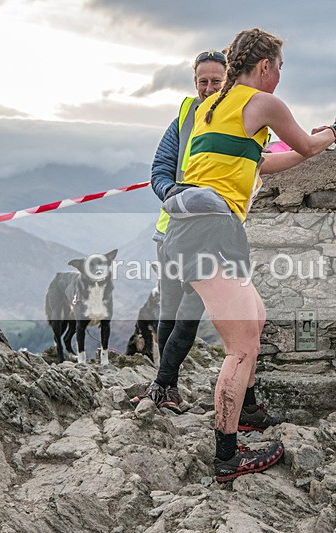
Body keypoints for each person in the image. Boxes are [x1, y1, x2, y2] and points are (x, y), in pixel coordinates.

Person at [160, 27, 336, 482]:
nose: (280, 79)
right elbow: (307, 146)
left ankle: (247, 411)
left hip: (190, 229)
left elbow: (260, 162)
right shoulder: (263, 102)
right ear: (266, 66)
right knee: (240, 348)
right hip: (212, 231)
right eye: (280, 69)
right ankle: (228, 455)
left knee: (256, 315)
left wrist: (307, 149)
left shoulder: (213, 106)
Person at [130, 50, 227, 414]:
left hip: (210, 237)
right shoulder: (184, 118)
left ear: (228, 81)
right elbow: (159, 170)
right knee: (168, 312)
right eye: (202, 81)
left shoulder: (237, 118)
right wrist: (174, 195)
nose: (208, 88)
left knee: (191, 310)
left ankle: (163, 382)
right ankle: (166, 387)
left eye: (216, 81)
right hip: (169, 233)